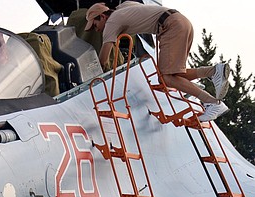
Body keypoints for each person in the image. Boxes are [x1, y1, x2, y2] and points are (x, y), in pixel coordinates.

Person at [84, 2, 230, 122]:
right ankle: (212, 71)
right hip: (181, 21)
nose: (96, 30)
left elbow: (103, 60)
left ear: (102, 17)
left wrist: (91, 77)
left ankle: (212, 102)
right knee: (176, 74)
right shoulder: (124, 7)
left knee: (166, 78)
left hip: (170, 27)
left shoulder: (111, 22)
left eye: (95, 25)